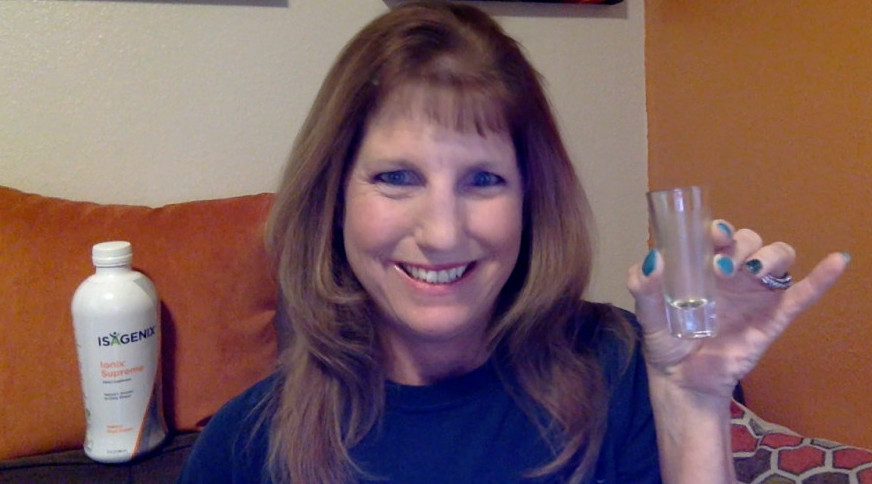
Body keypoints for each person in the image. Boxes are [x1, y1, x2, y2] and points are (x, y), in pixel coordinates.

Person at [177, 2, 849, 483]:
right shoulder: (245, 445)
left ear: (531, 201)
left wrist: (692, 407)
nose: (443, 232)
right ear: (334, 199)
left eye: (484, 180)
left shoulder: (623, 370)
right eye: (397, 177)